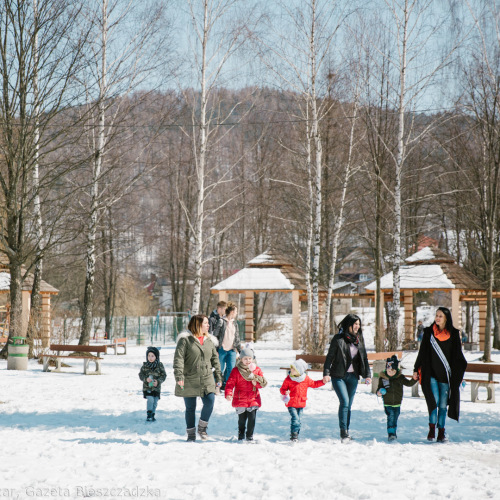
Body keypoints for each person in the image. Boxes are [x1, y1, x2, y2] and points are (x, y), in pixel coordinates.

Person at [412, 307, 467, 443]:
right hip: (430, 374)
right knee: (434, 401)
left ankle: (441, 431)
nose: (437, 318)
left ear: (446, 318)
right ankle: (432, 428)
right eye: (436, 315)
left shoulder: (454, 334)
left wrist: (458, 375)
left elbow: (457, 356)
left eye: (440, 316)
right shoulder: (429, 332)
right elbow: (423, 352)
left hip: (446, 376)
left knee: (443, 405)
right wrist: (415, 368)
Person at [323, 313, 372, 442]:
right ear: (349, 324)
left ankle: (346, 431)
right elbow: (329, 357)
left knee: (348, 405)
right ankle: (343, 432)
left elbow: (364, 357)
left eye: (359, 324)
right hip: (338, 376)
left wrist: (367, 375)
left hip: (353, 377)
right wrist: (326, 373)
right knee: (344, 402)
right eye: (355, 324)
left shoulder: (359, 338)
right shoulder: (338, 338)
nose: (357, 326)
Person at [173, 314, 222, 442]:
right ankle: (191, 434)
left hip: (207, 377)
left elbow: (215, 360)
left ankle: (202, 427)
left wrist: (218, 376)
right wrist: (179, 376)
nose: (208, 325)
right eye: (205, 323)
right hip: (189, 378)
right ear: (198, 324)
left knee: (210, 401)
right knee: (190, 408)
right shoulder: (185, 340)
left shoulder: (209, 340)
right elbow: (178, 359)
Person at [225, 346, 267, 441]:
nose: (248, 361)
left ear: (252, 359)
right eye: (245, 359)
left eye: (249, 358)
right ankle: (241, 434)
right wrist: (229, 393)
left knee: (252, 419)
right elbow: (230, 383)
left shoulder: (257, 370)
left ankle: (249, 436)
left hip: (253, 398)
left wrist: (256, 383)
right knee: (242, 420)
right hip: (240, 398)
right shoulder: (236, 370)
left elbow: (262, 383)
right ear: (241, 359)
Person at [280, 358, 325, 442]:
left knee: (298, 421)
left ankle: (296, 433)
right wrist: (285, 392)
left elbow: (314, 384)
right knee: (295, 419)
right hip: (291, 403)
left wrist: (323, 381)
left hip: (301, 403)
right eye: (291, 368)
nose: (291, 370)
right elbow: (282, 389)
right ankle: (294, 436)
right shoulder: (288, 379)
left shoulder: (305, 379)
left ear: (299, 371)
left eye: (293, 368)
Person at [376, 355, 418, 441]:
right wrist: (379, 392)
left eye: (393, 370)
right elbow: (378, 389)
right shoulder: (383, 378)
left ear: (396, 370)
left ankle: (393, 432)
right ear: (386, 369)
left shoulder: (400, 378)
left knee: (395, 418)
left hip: (397, 403)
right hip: (387, 403)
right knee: (391, 417)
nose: (391, 372)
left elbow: (409, 384)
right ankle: (391, 434)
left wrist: (414, 379)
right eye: (389, 370)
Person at [214, 301, 241, 389]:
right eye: (236, 311)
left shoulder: (235, 324)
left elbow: (237, 338)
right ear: (232, 312)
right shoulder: (221, 321)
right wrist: (215, 350)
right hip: (222, 350)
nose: (236, 313)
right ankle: (215, 387)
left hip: (232, 351)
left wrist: (240, 351)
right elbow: (215, 336)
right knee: (220, 370)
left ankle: (228, 387)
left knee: (231, 370)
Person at [138, 346, 167, 422]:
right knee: (150, 399)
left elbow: (163, 375)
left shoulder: (160, 365)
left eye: (152, 356)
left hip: (156, 388)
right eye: (148, 356)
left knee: (155, 401)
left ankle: (153, 413)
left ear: (156, 357)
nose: (150, 358)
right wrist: (146, 379)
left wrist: (158, 381)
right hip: (147, 387)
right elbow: (140, 375)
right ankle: (149, 414)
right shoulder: (145, 366)